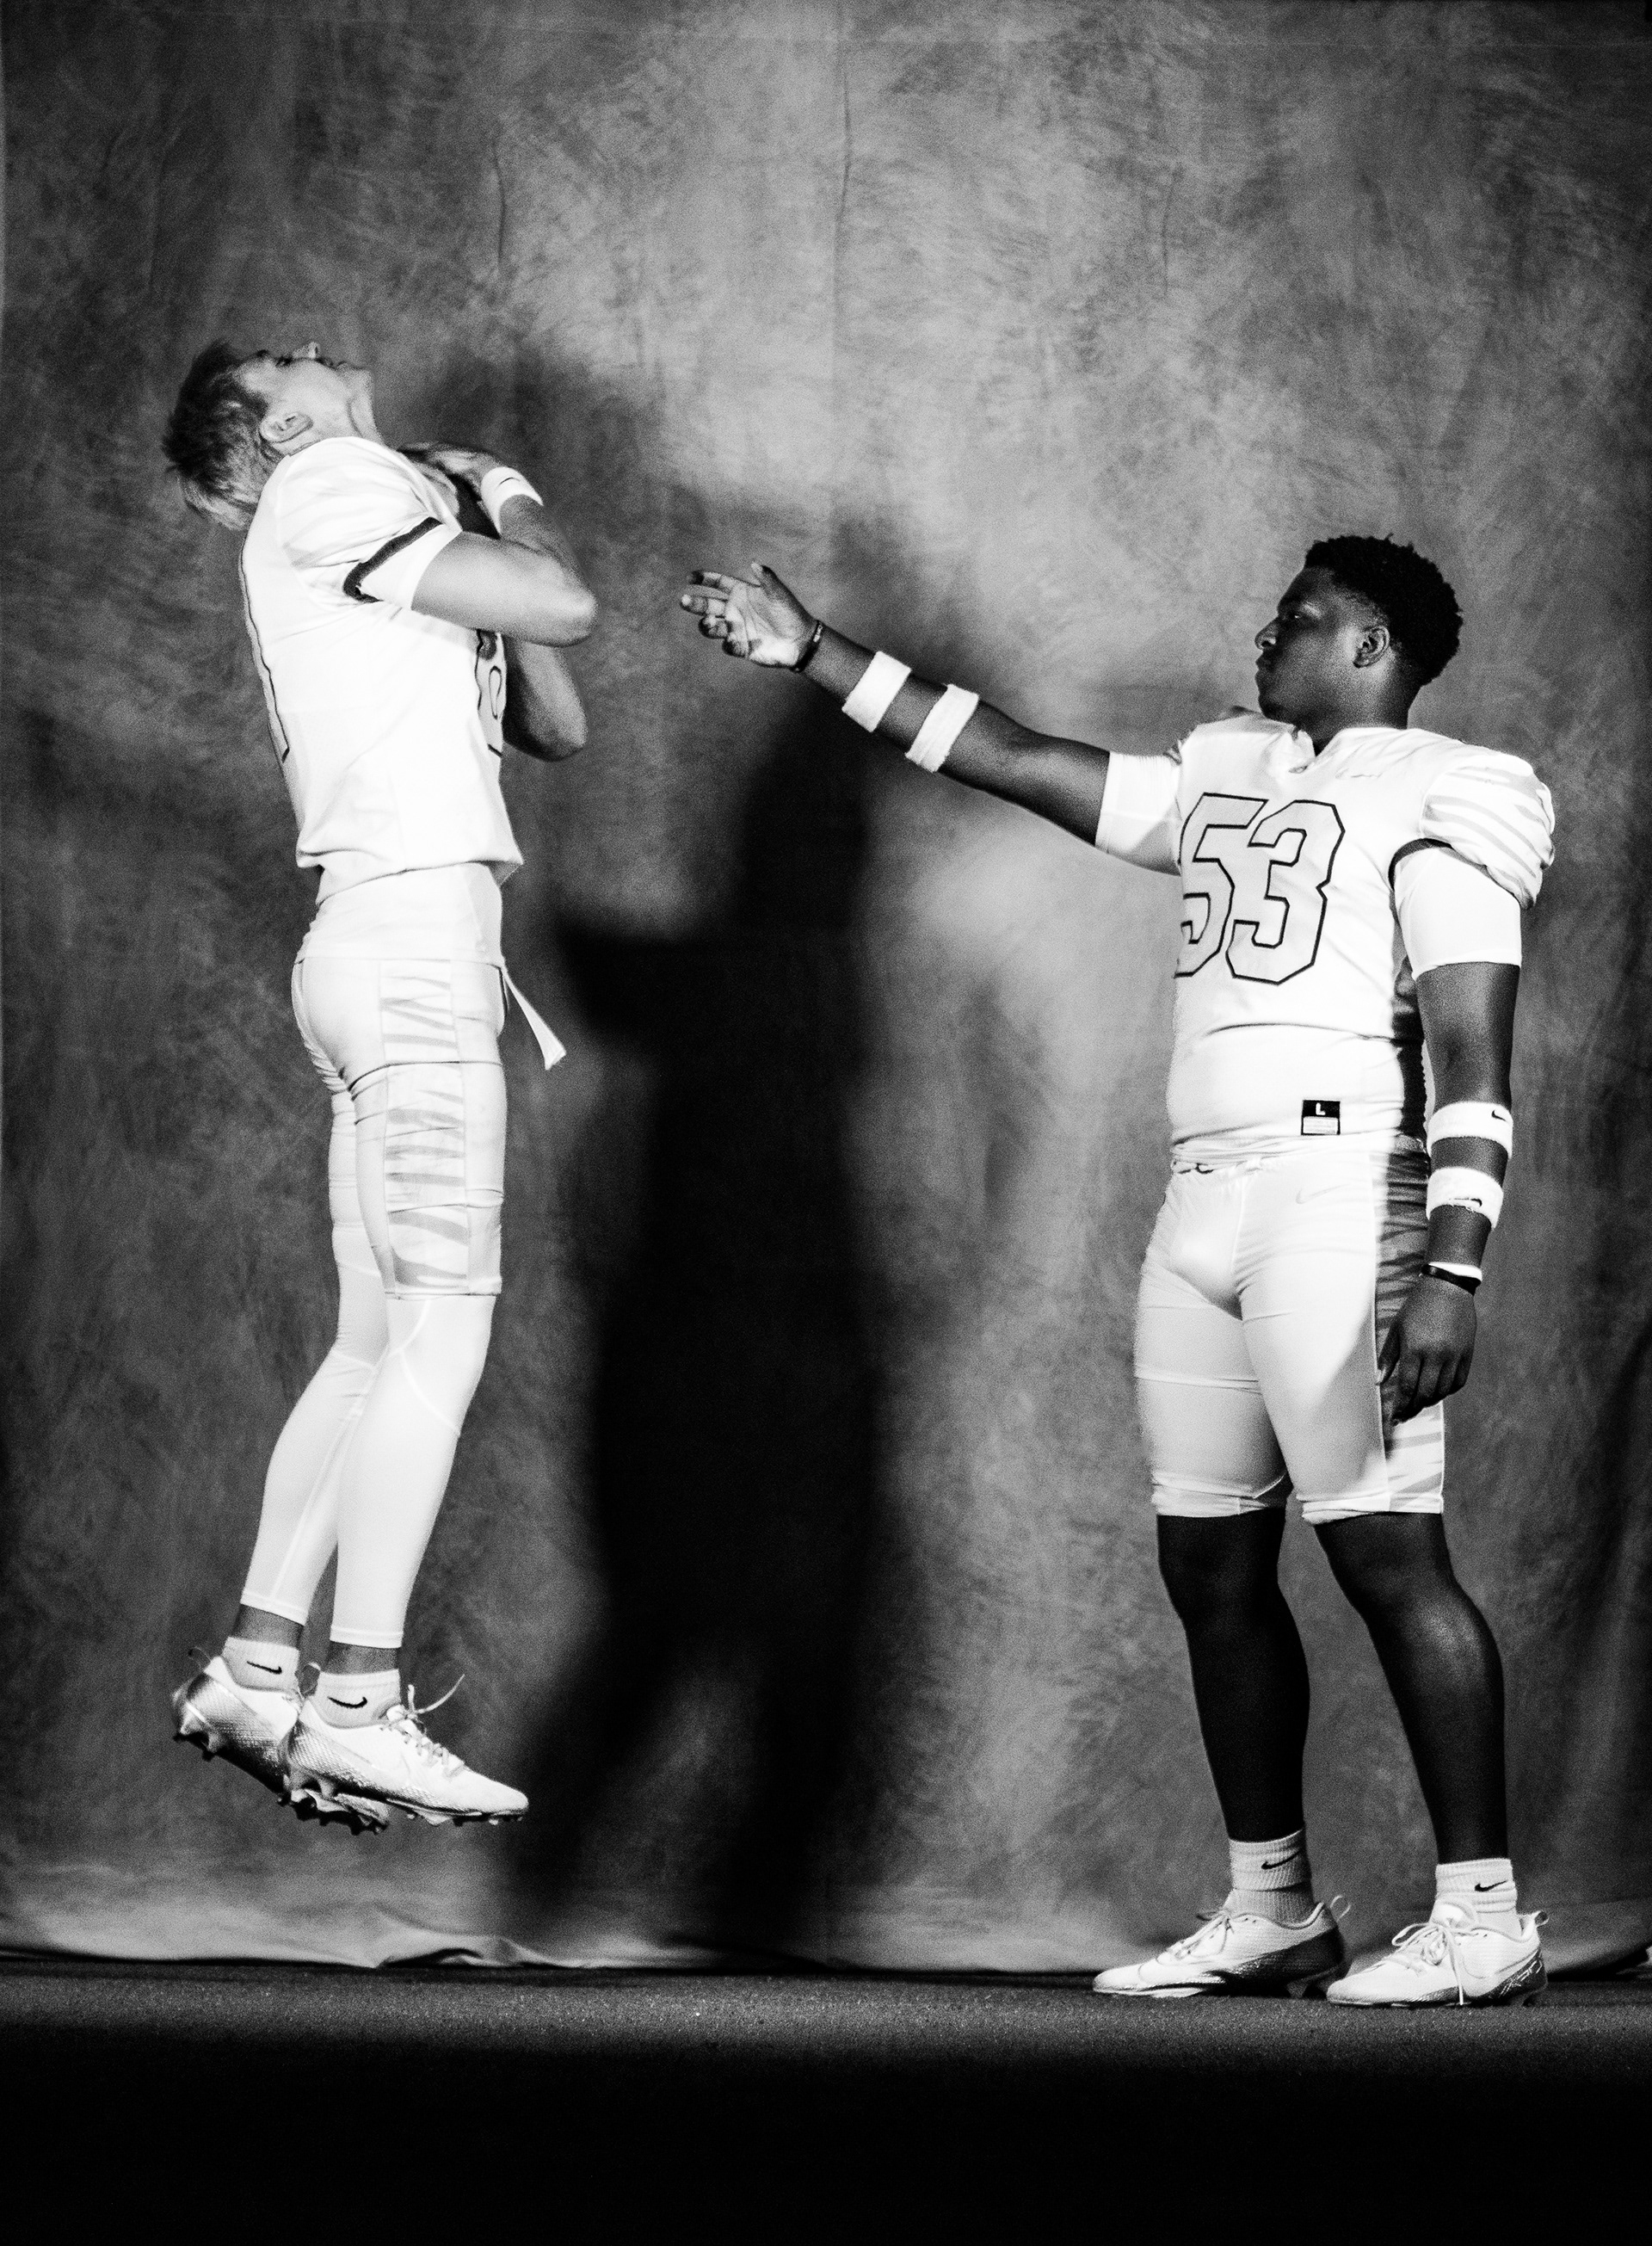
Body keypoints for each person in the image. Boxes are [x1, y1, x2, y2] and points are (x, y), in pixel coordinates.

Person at [681, 539, 1553, 2006]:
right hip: (1203, 1194)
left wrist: (1454, 1268)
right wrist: (815, 651)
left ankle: (1485, 1918)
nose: (1267, 633)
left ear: (1372, 647)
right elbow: (1019, 760)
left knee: (1386, 1553)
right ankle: (1273, 1907)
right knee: (1208, 1563)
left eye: (1302, 618)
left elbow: (1474, 1057)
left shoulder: (1451, 789)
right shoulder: (1228, 769)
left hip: (1344, 1190)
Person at [163, 340, 595, 1830]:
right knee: (444, 1323)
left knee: (373, 1343)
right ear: (277, 427)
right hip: (409, 953)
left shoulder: (372, 506)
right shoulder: (337, 478)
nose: (323, 349)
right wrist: (509, 497)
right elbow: (566, 603)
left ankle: (254, 1671)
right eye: (286, 360)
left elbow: (558, 720)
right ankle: (355, 1702)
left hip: (380, 945)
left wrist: (468, 511)